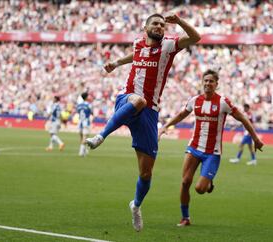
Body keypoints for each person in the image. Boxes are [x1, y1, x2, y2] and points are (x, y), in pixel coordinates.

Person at [85, 13, 201, 231]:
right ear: (145, 27)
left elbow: (196, 38)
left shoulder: (168, 46)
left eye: (162, 24)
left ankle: (136, 206)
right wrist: (117, 63)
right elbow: (136, 56)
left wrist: (179, 22)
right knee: (138, 99)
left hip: (150, 112)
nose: (159, 26)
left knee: (146, 173)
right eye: (155, 23)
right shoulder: (138, 43)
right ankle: (101, 135)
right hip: (127, 98)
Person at [158, 69, 264, 227]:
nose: (208, 83)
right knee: (185, 182)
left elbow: (242, 118)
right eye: (205, 81)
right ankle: (185, 218)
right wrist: (165, 126)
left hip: (212, 152)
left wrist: (255, 138)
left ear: (216, 84)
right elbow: (181, 115)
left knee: (200, 189)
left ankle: (209, 183)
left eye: (211, 81)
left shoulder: (223, 102)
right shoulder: (195, 100)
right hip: (194, 147)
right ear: (202, 82)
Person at [76, 92, 92, 157]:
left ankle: (84, 150)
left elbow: (78, 112)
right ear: (86, 97)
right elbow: (90, 112)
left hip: (80, 122)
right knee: (85, 137)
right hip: (86, 122)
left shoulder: (79, 105)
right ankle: (81, 151)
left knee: (81, 137)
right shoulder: (88, 105)